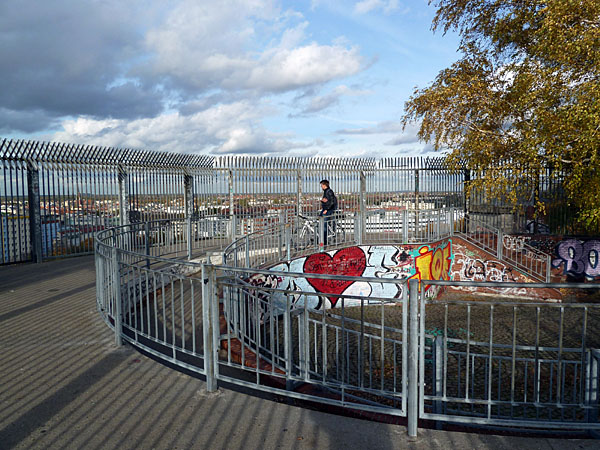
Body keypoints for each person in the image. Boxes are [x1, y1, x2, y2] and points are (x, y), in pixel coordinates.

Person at [319, 180, 337, 245]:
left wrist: (327, 209)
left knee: (324, 226)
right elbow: (328, 201)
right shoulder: (326, 191)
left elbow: (331, 202)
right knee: (320, 222)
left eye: (322, 185)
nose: (321, 187)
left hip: (327, 210)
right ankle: (321, 239)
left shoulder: (329, 192)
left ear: (325, 185)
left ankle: (324, 241)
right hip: (325, 209)